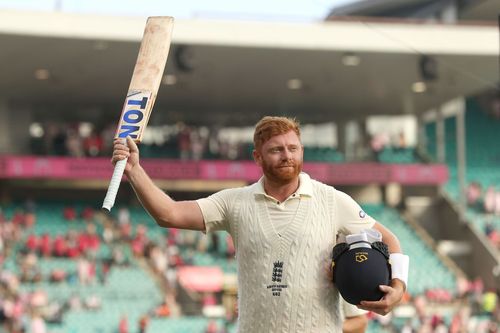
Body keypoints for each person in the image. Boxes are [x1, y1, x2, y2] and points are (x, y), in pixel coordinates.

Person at [111, 116, 409, 333]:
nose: (287, 156)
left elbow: (389, 240)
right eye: (276, 150)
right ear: (258, 157)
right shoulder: (234, 202)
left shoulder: (333, 201)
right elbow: (170, 214)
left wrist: (398, 287)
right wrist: (135, 172)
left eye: (293, 148)